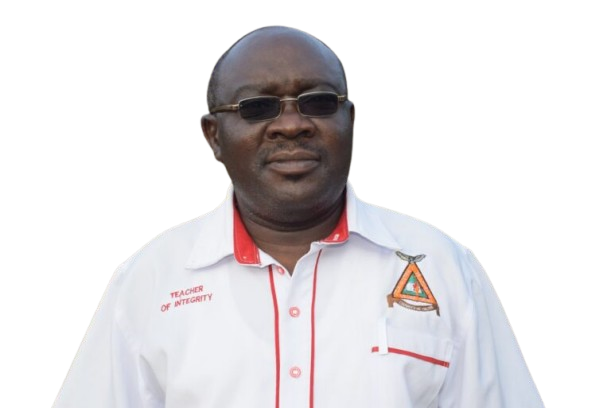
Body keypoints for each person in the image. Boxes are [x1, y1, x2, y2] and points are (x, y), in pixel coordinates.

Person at [53, 25, 544, 407]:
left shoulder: (446, 267)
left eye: (318, 102)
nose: (291, 124)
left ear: (350, 120)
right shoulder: (148, 281)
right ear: (213, 136)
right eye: (257, 107)